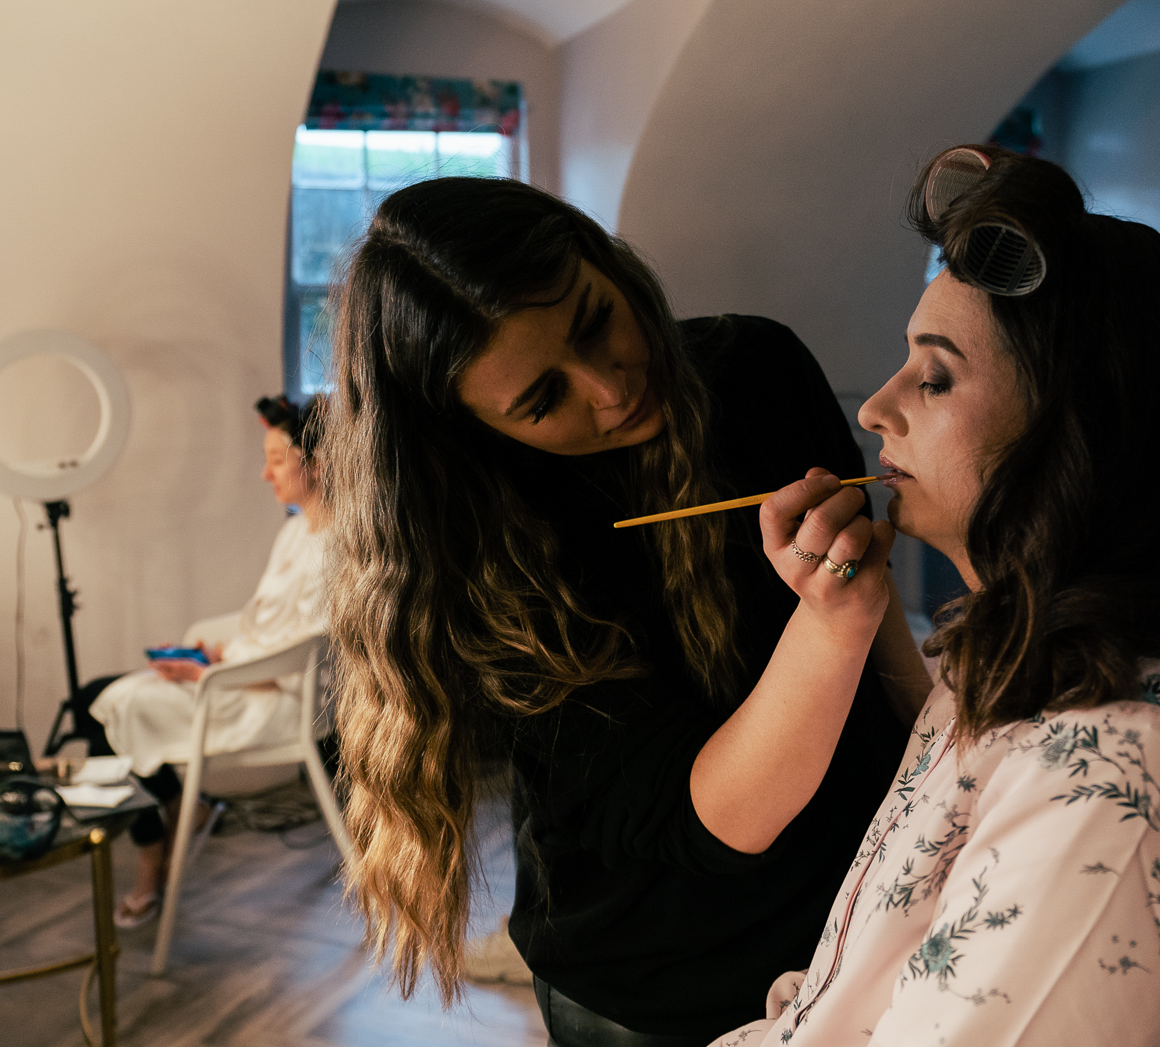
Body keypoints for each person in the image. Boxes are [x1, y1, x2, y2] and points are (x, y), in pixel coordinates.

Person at [712, 145, 1160, 1046]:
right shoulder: (997, 671)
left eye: (937, 374)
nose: (874, 409)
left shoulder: (1129, 777)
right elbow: (866, 977)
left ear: (1078, 428)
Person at [322, 179, 923, 1046]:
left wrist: (939, 756)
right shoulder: (484, 559)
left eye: (594, 320)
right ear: (471, 432)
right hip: (663, 987)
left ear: (605, 260)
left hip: (860, 909)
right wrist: (832, 624)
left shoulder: (755, 367)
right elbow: (721, 817)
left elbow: (877, 608)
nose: (608, 388)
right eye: (542, 401)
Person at [89, 394, 331, 928]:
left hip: (274, 701)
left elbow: (307, 645)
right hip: (244, 678)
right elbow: (269, 626)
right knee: (99, 694)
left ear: (314, 464)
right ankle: (182, 811)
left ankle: (155, 856)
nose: (264, 473)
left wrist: (212, 671)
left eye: (275, 459)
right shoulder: (296, 530)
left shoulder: (337, 545)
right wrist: (217, 653)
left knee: (102, 707)